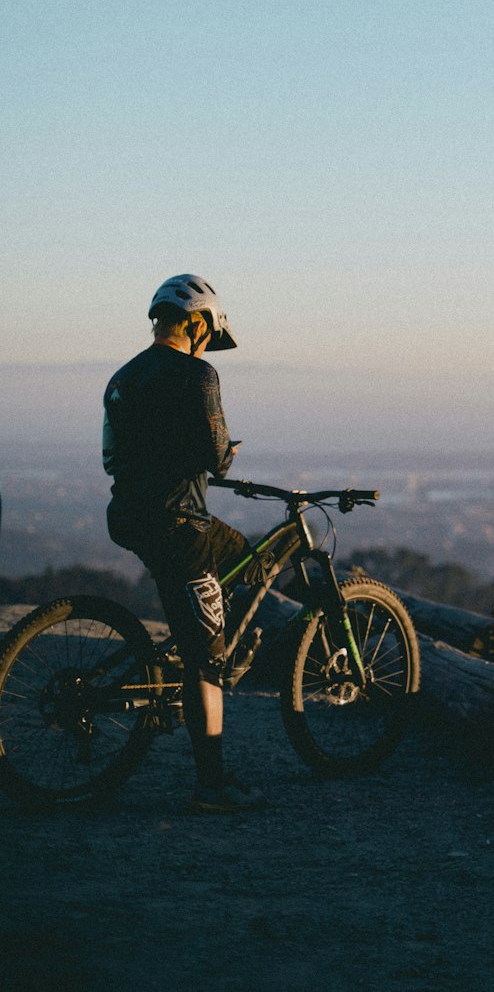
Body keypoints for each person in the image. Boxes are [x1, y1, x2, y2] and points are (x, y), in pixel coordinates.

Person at [102, 273, 265, 812]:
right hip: (178, 522)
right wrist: (226, 454)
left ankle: (205, 632)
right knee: (207, 657)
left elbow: (115, 458)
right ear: (196, 324)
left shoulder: (122, 378)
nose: (207, 345)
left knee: (233, 560)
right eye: (208, 334)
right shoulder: (199, 374)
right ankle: (213, 784)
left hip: (127, 514)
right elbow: (217, 457)